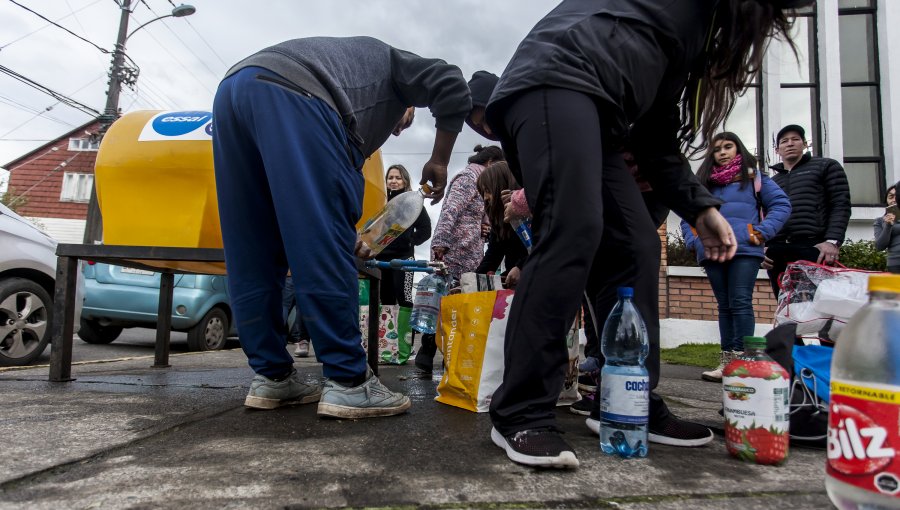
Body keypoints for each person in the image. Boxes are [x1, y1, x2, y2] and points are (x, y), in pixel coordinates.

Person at [480, 0, 812, 468]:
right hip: (550, 83)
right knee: (574, 227)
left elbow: (656, 133)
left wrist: (700, 209)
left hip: (602, 115)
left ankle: (627, 397)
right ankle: (520, 410)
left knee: (637, 243)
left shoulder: (690, 31)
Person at [211, 36, 471, 418]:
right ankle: (349, 383)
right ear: (409, 102)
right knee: (323, 250)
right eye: (405, 120)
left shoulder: (346, 68)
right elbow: (452, 82)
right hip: (294, 95)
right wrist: (440, 159)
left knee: (251, 246)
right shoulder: (395, 67)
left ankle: (272, 377)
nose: (396, 131)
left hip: (233, 91)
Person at [681, 133, 791, 382]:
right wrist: (695, 240)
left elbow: (782, 205)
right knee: (725, 305)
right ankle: (727, 362)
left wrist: (762, 233)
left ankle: (744, 361)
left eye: (728, 147)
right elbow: (688, 213)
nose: (722, 152)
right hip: (712, 251)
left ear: (738, 149)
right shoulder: (703, 184)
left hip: (744, 249)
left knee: (740, 301)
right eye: (717, 148)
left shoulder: (754, 178)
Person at [416, 144, 502, 373]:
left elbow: (481, 214)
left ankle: (450, 355)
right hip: (453, 249)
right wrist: (441, 242)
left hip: (472, 250)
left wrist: (485, 227)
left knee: (459, 302)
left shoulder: (483, 181)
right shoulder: (467, 178)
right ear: (491, 163)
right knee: (443, 300)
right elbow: (450, 210)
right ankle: (427, 351)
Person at [763, 124, 851, 298]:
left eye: (795, 139)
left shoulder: (826, 166)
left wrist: (832, 241)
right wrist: (762, 246)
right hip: (777, 250)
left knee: (816, 305)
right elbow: (764, 214)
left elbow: (840, 204)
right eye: (784, 141)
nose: (790, 144)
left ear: (805, 144)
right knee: (785, 305)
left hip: (813, 247)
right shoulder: (772, 181)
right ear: (777, 149)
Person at [376, 164, 432, 307]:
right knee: (385, 299)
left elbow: (425, 230)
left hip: (404, 258)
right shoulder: (380, 201)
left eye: (398, 178)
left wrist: (409, 241)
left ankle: (406, 330)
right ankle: (388, 330)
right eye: (390, 178)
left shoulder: (414, 203)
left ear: (405, 181)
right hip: (381, 258)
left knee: (405, 298)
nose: (393, 181)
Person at [474, 162, 528, 289]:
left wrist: (521, 267)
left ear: (501, 186)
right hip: (517, 282)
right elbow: (493, 255)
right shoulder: (499, 221)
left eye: (488, 190)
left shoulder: (528, 213)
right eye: (483, 192)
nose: (486, 197)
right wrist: (471, 281)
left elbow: (541, 243)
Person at [282, 275, 311, 357]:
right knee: (302, 305)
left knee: (284, 306)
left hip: (288, 274)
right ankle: (300, 339)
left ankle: (276, 339)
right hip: (304, 274)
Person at [874, 183, 900, 274]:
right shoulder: (880, 221)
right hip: (895, 264)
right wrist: (888, 226)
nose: (894, 200)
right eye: (891, 197)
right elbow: (879, 246)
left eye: (897, 196)